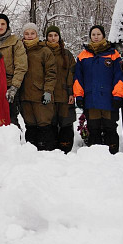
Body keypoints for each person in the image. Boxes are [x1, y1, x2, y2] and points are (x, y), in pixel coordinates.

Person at [73, 25, 123, 154]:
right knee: (93, 128)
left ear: (103, 36)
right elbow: (78, 78)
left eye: (98, 34)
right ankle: (95, 156)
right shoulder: (83, 56)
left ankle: (113, 155)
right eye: (93, 34)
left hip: (109, 100)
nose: (96, 37)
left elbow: (119, 77)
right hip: (91, 100)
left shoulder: (113, 54)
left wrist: (118, 96)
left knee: (110, 128)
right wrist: (79, 96)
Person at [19, 23, 57, 151]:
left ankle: (46, 152)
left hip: (41, 96)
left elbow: (51, 73)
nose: (29, 36)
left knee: (44, 125)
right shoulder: (19, 50)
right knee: (30, 126)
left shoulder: (44, 51)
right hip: (25, 96)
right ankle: (31, 152)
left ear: (37, 34)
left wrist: (48, 91)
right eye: (27, 33)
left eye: (32, 33)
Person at [45, 25, 76, 153]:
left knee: (66, 122)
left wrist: (71, 92)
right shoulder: (43, 52)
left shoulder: (67, 54)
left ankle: (66, 149)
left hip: (64, 95)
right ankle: (52, 149)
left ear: (59, 37)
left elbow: (72, 74)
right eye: (50, 36)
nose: (53, 38)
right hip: (49, 96)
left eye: (55, 35)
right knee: (50, 122)